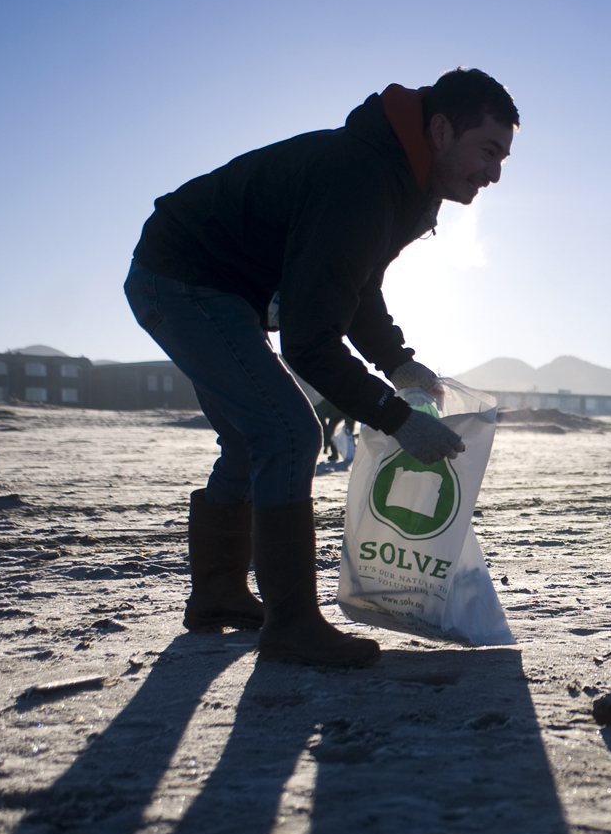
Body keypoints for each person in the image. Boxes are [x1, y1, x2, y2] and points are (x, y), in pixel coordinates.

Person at [124, 68, 517, 667]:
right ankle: (291, 625)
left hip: (221, 288)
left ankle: (219, 596)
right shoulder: (362, 179)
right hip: (183, 278)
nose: (494, 173)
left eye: (503, 159)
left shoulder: (403, 182)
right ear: (440, 130)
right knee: (288, 429)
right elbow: (309, 342)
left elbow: (353, 286)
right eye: (488, 150)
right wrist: (396, 418)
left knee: (250, 436)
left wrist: (397, 363)